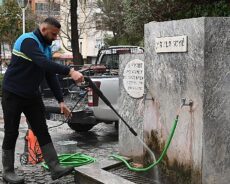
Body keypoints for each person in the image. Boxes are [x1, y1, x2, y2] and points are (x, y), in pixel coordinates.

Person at [1, 17, 84, 183]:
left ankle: (55, 167)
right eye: (53, 34)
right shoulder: (27, 41)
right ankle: (8, 171)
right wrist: (70, 71)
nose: (55, 37)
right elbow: (43, 63)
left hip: (32, 95)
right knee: (11, 132)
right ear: (44, 29)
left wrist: (61, 101)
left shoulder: (46, 47)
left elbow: (49, 74)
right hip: (13, 93)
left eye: (56, 35)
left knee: (42, 129)